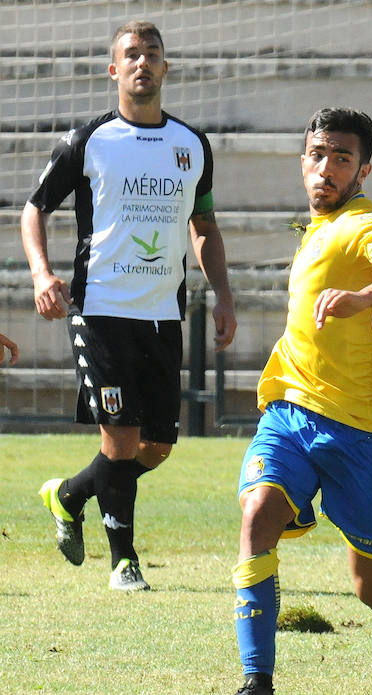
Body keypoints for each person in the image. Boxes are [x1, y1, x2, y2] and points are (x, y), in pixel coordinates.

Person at [21, 21, 237, 591]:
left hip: (163, 313)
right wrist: (43, 273)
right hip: (100, 310)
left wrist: (223, 294)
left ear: (166, 68)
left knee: (158, 447)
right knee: (119, 438)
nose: (143, 63)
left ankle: (67, 495)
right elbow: (33, 209)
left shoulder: (191, 145)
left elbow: (205, 225)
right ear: (113, 70)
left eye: (153, 55)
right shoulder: (87, 140)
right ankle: (124, 562)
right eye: (131, 55)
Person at [231, 107, 372, 695]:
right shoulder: (317, 226)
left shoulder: (365, 223)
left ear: (363, 170)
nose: (326, 168)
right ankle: (256, 680)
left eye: (341, 158)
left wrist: (362, 297)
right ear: (303, 162)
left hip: (356, 432)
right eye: (318, 155)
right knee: (255, 516)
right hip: (288, 414)